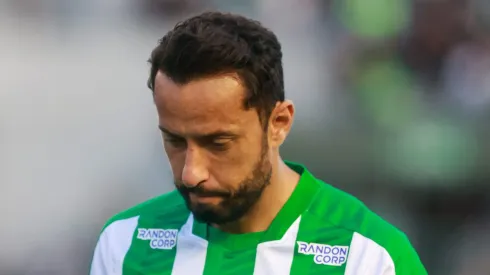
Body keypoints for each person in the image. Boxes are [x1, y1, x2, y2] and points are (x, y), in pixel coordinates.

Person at [89, 11, 427, 275]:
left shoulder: (370, 257)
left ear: (278, 124)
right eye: (175, 141)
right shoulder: (124, 243)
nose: (191, 173)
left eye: (218, 143)